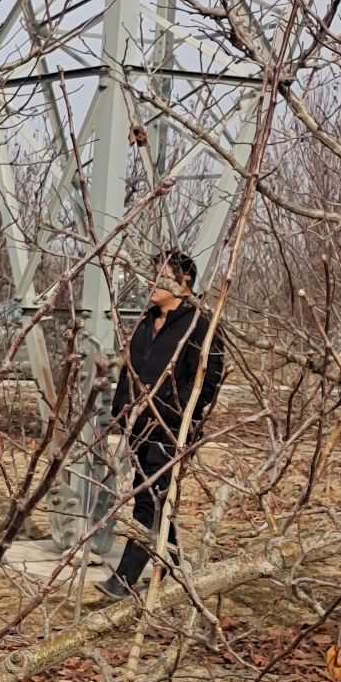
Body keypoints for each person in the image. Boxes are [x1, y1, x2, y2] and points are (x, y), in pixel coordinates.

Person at [97, 249, 225, 599]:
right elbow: (129, 369)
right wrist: (121, 409)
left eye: (163, 276)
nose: (153, 284)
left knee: (147, 499)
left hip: (170, 429)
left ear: (184, 281)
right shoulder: (144, 321)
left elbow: (206, 382)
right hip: (136, 426)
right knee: (157, 496)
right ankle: (176, 565)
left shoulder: (200, 324)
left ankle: (122, 581)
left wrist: (169, 412)